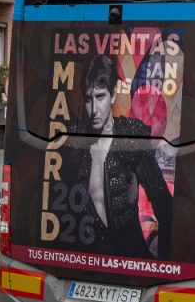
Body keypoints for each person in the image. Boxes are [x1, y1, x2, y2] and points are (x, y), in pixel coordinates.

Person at [72, 54, 173, 259]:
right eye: (89, 99)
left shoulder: (130, 137)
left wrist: (162, 262)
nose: (94, 110)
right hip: (91, 259)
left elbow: (164, 204)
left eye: (100, 97)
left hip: (131, 257)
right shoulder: (76, 144)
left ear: (113, 95)